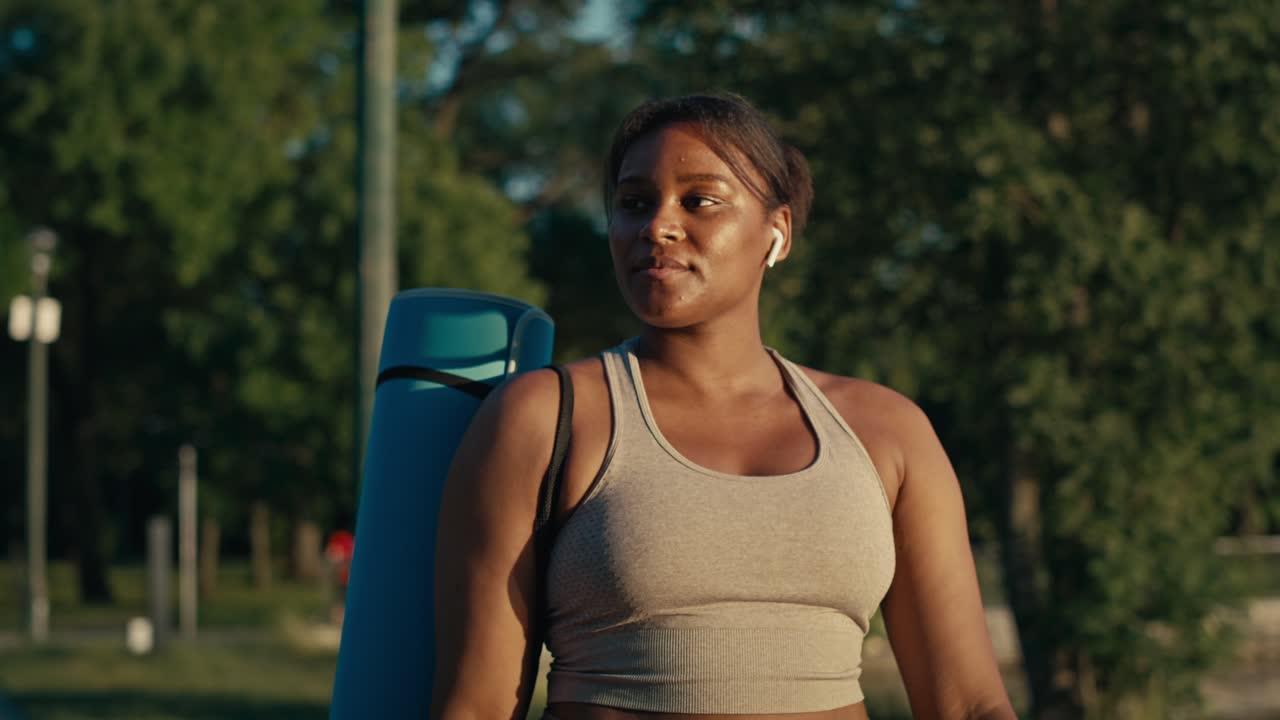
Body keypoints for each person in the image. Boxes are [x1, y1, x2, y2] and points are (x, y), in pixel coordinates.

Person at [432, 94, 1016, 720]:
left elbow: (969, 704)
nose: (657, 225)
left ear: (778, 232)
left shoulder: (887, 432)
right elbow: (477, 706)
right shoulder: (546, 418)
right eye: (633, 204)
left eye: (699, 200)